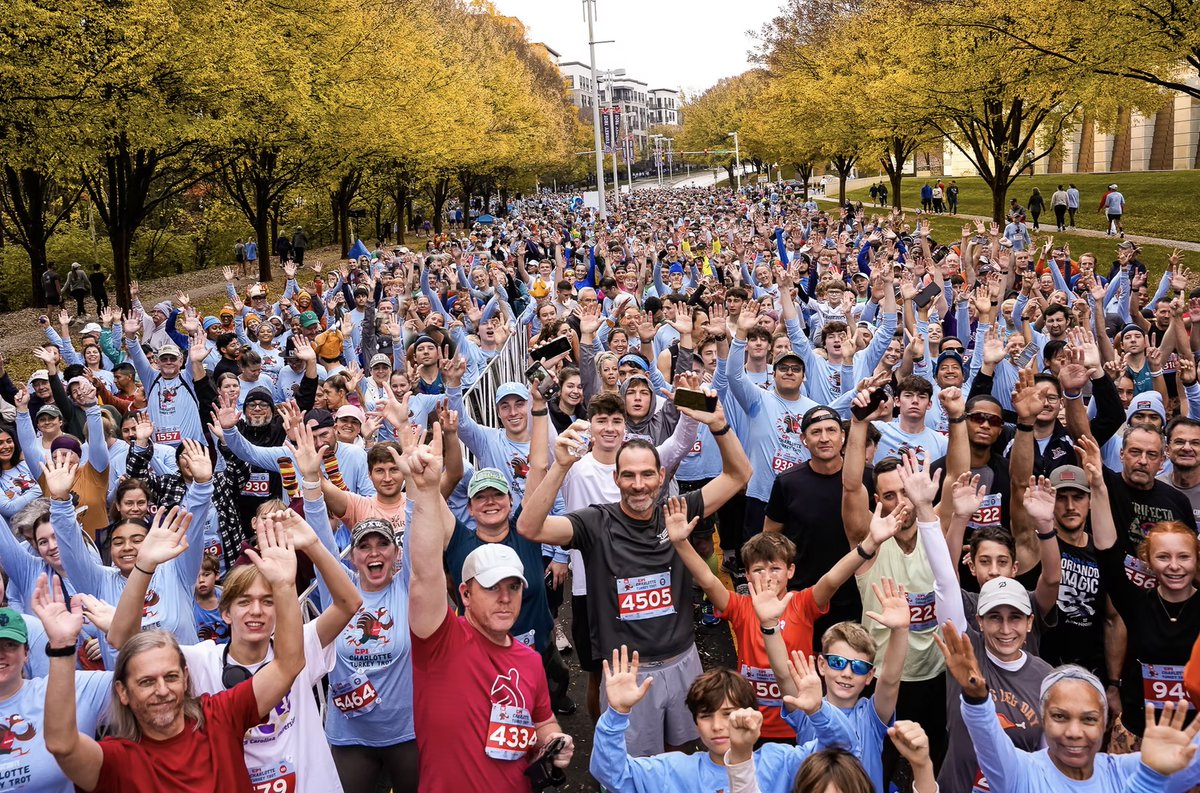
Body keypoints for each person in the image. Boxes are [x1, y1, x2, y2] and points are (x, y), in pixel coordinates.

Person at [517, 395, 750, 756]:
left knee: (684, 755)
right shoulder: (595, 522)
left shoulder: (676, 510)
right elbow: (530, 528)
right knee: (635, 768)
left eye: (646, 475)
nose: (638, 484)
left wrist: (719, 424)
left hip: (682, 660)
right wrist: (560, 468)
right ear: (617, 478)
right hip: (628, 673)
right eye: (628, 475)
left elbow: (739, 475)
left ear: (661, 477)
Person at [104, 505, 362, 793]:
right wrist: (145, 566)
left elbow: (349, 604)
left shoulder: (298, 645)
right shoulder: (201, 660)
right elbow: (122, 639)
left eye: (268, 601)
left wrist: (312, 545)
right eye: (244, 602)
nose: (256, 611)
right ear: (225, 613)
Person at [40, 515, 306, 793]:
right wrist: (61, 647)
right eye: (146, 682)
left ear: (186, 677)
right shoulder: (118, 759)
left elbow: (288, 664)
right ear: (122, 692)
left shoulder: (220, 718)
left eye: (171, 676)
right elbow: (62, 745)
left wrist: (285, 587)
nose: (162, 690)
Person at [406, 425, 574, 792]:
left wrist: (552, 742)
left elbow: (542, 721)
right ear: (464, 595)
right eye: (490, 587)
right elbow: (423, 575)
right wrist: (423, 490)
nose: (504, 597)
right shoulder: (440, 643)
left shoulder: (528, 662)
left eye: (513, 586)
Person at [944, 633, 1200, 790]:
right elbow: (988, 739)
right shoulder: (1020, 772)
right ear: (1043, 719)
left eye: (1089, 719)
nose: (1074, 732)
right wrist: (976, 699)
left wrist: (1157, 772)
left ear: (1105, 724)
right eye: (1060, 716)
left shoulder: (1124, 771)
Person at [590, 647, 854, 793]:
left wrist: (819, 710)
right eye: (705, 716)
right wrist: (616, 713)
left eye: (728, 714)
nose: (717, 726)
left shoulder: (782, 762)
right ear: (695, 723)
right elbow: (612, 775)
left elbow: (842, 749)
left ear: (753, 715)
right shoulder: (674, 770)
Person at [764, 406, 861, 644]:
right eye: (816, 432)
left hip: (858, 595)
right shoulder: (788, 482)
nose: (825, 438)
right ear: (804, 440)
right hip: (804, 596)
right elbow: (770, 538)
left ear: (843, 436)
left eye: (831, 430)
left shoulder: (865, 478)